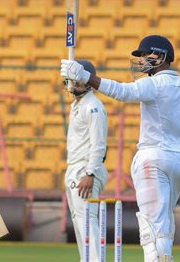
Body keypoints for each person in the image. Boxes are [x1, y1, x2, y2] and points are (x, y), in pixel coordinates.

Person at [61, 36, 180, 262]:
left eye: (144, 55)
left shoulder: (153, 84)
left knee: (151, 227)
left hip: (152, 158)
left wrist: (86, 77)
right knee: (164, 224)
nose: (140, 61)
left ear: (161, 56)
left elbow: (121, 91)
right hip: (179, 162)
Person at [64, 60, 108, 262]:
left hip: (85, 170)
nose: (73, 83)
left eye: (78, 79)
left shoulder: (93, 107)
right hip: (74, 168)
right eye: (72, 79)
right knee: (80, 223)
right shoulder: (78, 104)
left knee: (88, 222)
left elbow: (99, 144)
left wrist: (90, 173)